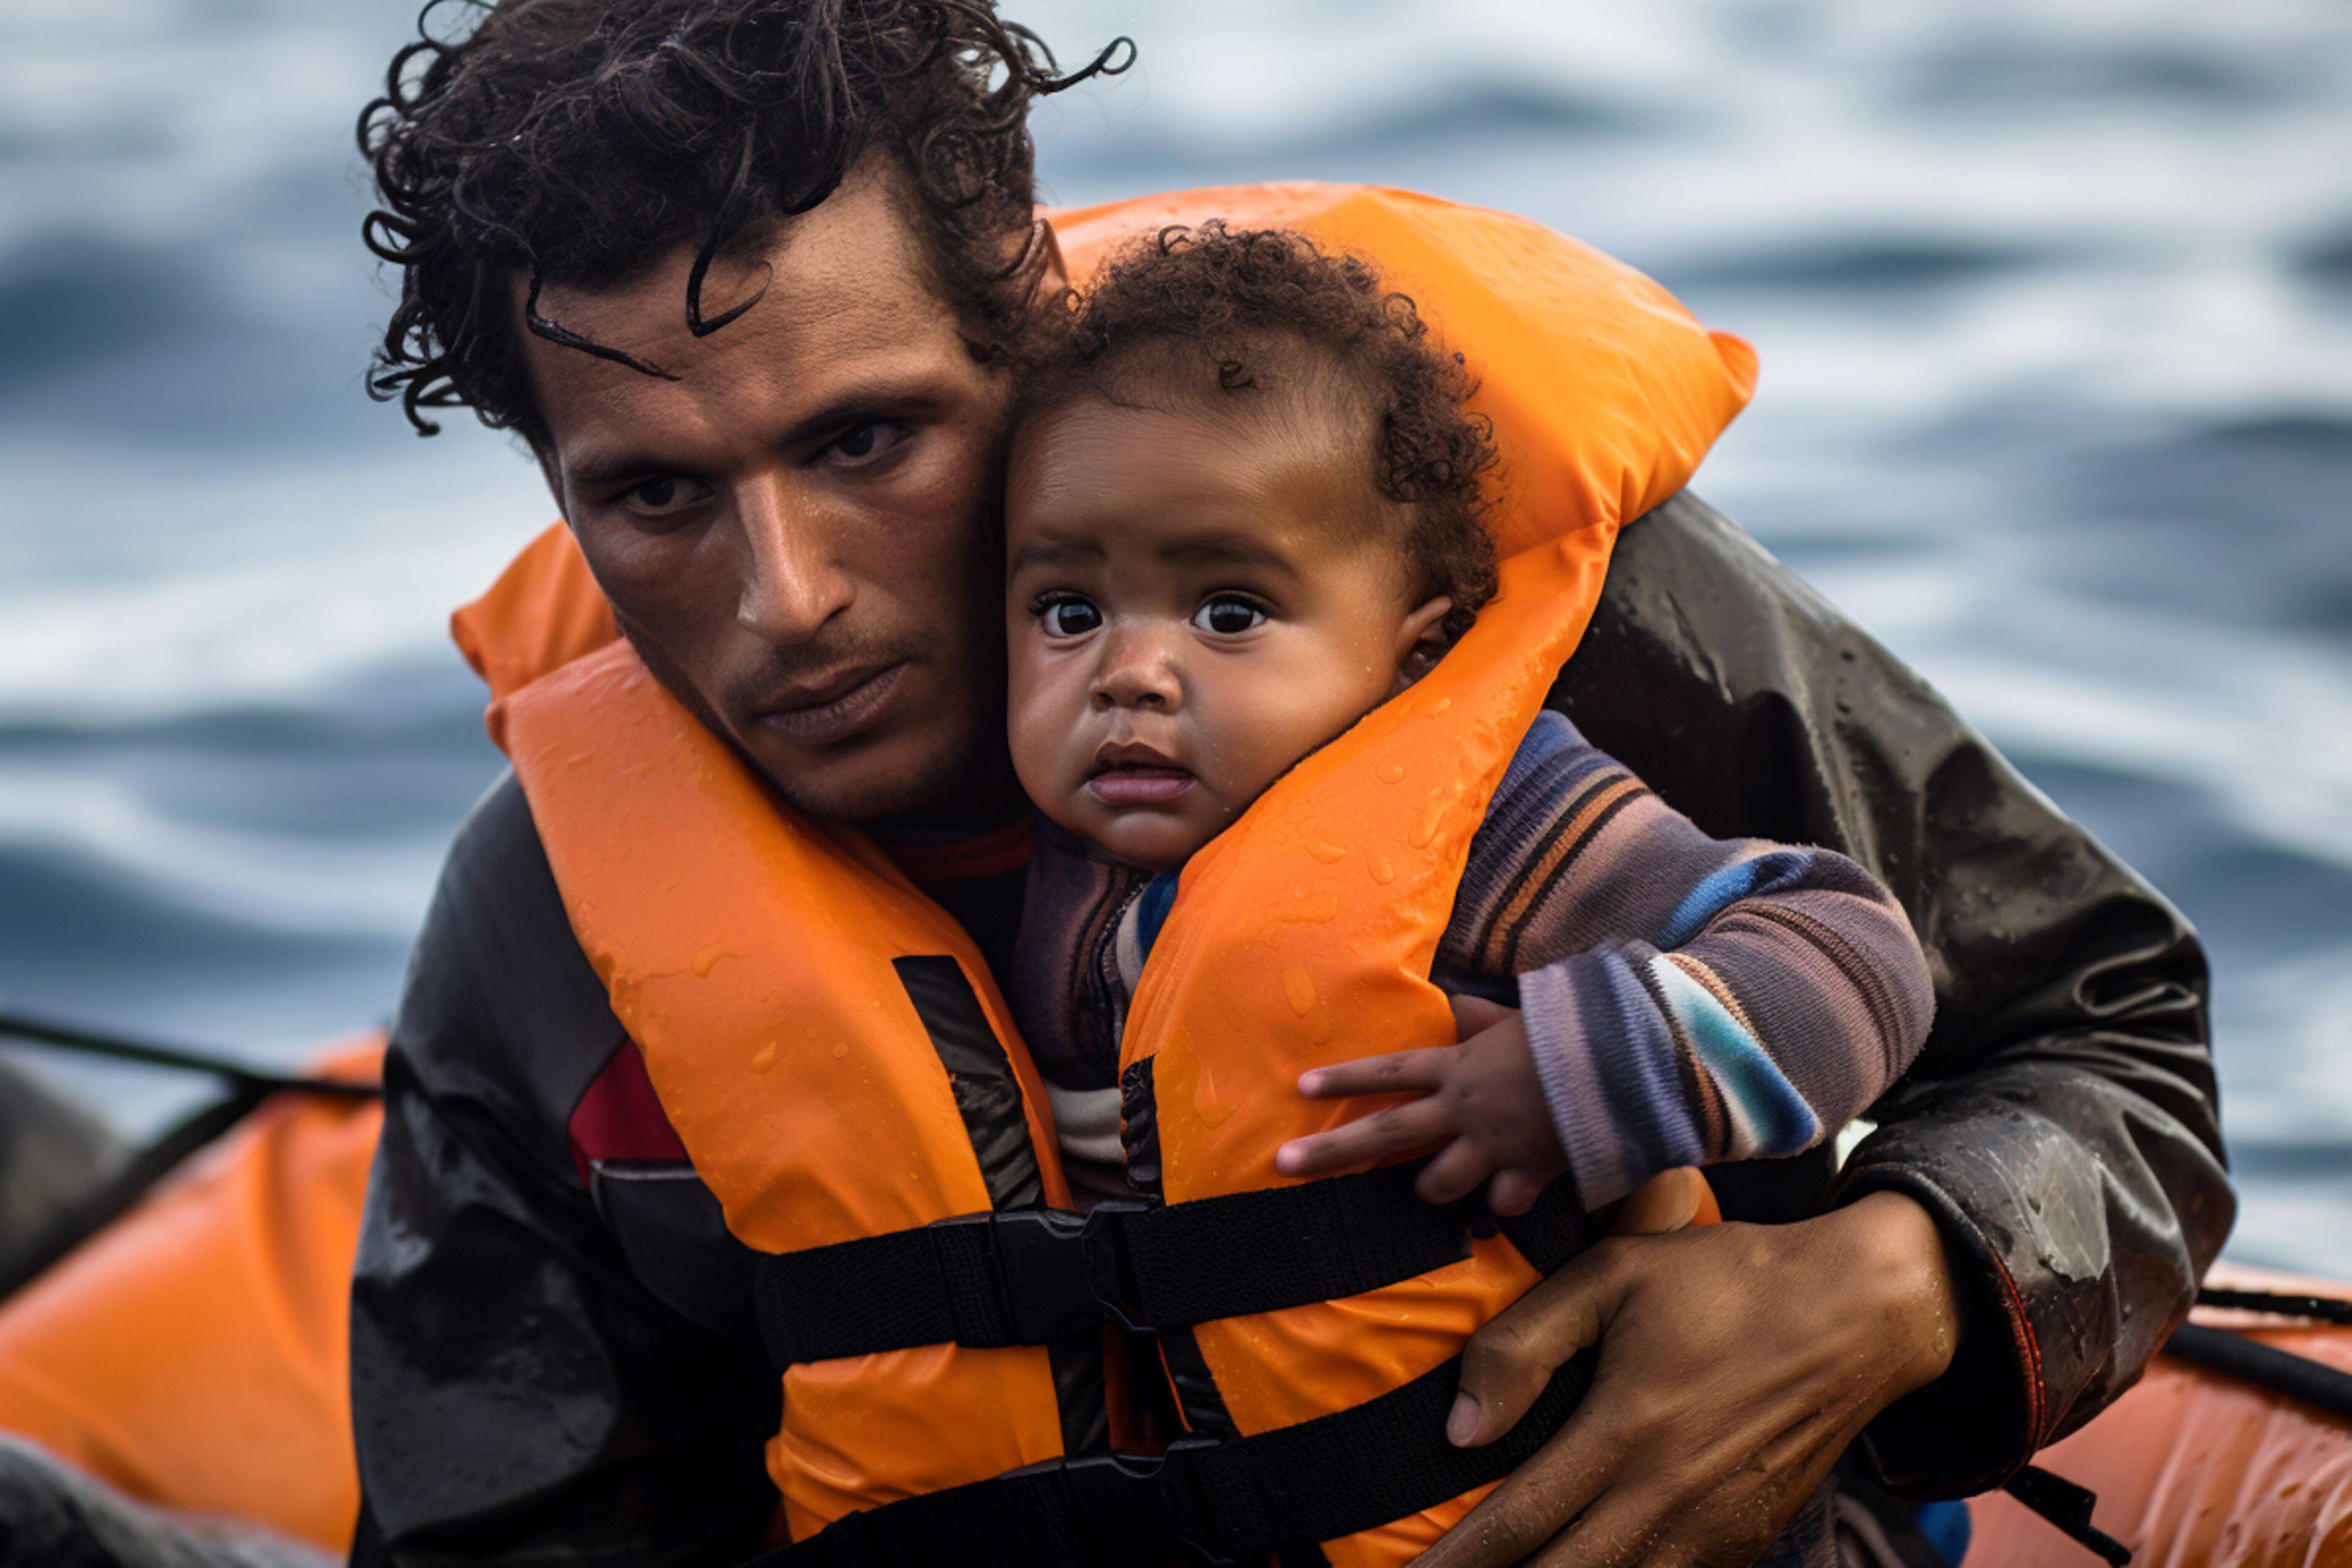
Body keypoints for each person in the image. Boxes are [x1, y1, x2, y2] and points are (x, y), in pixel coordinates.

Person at [345, 2, 2233, 1566]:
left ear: (1023, 321)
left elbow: (2114, 1026)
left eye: (869, 437)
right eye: (655, 494)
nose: (792, 598)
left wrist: (1882, 1290)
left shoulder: (1496, 618)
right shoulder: (545, 928)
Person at [999, 223, 1933, 1238]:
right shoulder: (1015, 833)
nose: (1128, 676)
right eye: (1069, 614)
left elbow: (1856, 957)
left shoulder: (1487, 822)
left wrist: (1580, 1073)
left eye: (1231, 614)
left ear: (1413, 655)